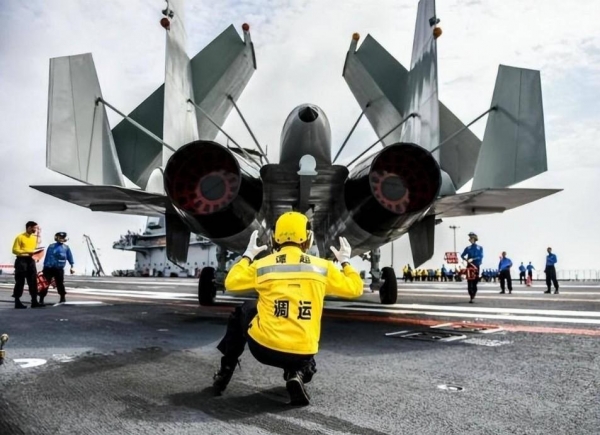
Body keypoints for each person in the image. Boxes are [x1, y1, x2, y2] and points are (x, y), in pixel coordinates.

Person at [212, 212, 363, 406]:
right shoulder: (323, 267)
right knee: (308, 359)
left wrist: (248, 255)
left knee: (243, 310)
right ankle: (297, 373)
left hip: (263, 348)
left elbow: (231, 282)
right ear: (308, 238)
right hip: (301, 352)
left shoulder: (262, 265)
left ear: (275, 238)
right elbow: (355, 288)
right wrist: (345, 262)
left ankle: (224, 372)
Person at [11, 221, 42, 309]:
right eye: (34, 228)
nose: (35, 230)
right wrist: (28, 252)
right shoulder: (20, 237)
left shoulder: (34, 238)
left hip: (31, 261)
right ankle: (17, 301)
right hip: (21, 261)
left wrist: (37, 256)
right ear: (29, 227)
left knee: (33, 281)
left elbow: (36, 249)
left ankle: (34, 301)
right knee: (20, 281)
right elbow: (14, 250)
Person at [39, 232, 75, 305]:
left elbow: (70, 257)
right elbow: (47, 257)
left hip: (59, 269)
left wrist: (72, 266)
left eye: (63, 238)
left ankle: (62, 297)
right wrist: (44, 268)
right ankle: (41, 299)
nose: (61, 239)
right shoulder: (51, 246)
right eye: (60, 237)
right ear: (57, 238)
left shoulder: (66, 248)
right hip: (48, 268)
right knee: (45, 284)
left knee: (60, 284)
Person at [461, 232, 483, 303]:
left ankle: (473, 293)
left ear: (474, 239)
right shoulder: (468, 248)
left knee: (475, 281)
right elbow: (462, 255)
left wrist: (473, 259)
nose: (470, 239)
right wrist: (466, 259)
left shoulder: (480, 248)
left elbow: (481, 256)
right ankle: (471, 295)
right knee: (469, 281)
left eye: (471, 238)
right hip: (469, 266)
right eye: (470, 238)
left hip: (476, 266)